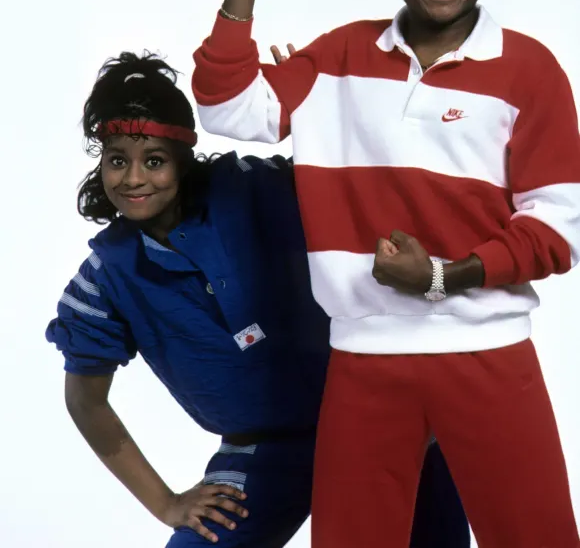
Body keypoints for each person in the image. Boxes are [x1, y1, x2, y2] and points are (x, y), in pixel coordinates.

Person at [191, 0, 580, 548]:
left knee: (536, 538)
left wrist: (442, 276)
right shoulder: (338, 56)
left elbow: (557, 227)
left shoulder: (529, 69)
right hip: (364, 357)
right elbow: (226, 107)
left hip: (487, 351)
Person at [46, 51, 470, 548]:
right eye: (118, 160)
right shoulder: (105, 280)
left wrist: (324, 114)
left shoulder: (252, 189)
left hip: (375, 413)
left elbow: (348, 184)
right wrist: (166, 503)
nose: (133, 178)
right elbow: (86, 400)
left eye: (154, 161)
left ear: (182, 160)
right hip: (262, 453)